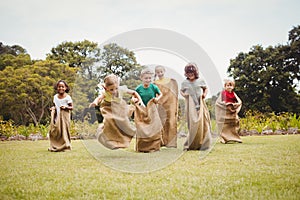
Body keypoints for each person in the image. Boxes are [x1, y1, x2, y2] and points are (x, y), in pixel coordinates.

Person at [95, 74, 142, 149]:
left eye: (116, 88)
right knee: (110, 120)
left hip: (120, 106)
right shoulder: (105, 93)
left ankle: (123, 138)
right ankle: (102, 130)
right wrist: (95, 102)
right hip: (108, 107)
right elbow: (99, 98)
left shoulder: (121, 89)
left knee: (123, 121)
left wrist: (139, 99)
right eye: (111, 89)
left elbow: (134, 92)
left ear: (118, 85)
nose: (114, 91)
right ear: (106, 88)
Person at [180, 63, 212, 150]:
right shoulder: (184, 83)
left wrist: (204, 95)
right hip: (191, 107)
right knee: (193, 125)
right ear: (186, 73)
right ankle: (191, 144)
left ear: (195, 73)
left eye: (192, 73)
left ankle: (205, 145)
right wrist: (185, 95)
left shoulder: (200, 81)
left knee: (203, 124)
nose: (190, 75)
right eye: (188, 73)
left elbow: (205, 88)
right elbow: (181, 91)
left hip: (200, 105)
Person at [134, 68, 163, 152]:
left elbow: (160, 94)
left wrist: (158, 98)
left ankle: (154, 147)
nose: (148, 80)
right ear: (141, 78)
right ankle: (142, 147)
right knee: (142, 128)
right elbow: (134, 96)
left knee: (154, 127)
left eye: (150, 78)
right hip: (142, 111)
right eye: (146, 78)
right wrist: (134, 100)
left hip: (152, 111)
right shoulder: (139, 88)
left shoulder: (153, 87)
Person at [154, 65, 178, 148]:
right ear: (155, 73)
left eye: (161, 71)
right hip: (160, 104)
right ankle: (161, 141)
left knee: (171, 121)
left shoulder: (171, 81)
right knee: (161, 122)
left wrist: (174, 105)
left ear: (164, 71)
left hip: (170, 104)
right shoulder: (155, 83)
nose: (160, 73)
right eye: (158, 72)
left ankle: (171, 143)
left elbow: (174, 93)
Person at [48, 80, 73, 152]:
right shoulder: (55, 97)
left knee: (65, 131)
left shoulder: (67, 97)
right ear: (57, 88)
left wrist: (65, 108)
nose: (61, 88)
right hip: (57, 117)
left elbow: (71, 107)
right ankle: (57, 145)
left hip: (65, 118)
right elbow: (55, 105)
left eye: (62, 87)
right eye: (59, 87)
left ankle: (66, 145)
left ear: (65, 88)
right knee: (57, 131)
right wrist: (53, 109)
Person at [215, 79, 242, 143]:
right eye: (228, 85)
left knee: (235, 123)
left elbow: (239, 101)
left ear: (233, 87)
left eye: (231, 86)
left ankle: (234, 137)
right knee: (224, 125)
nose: (229, 87)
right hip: (225, 111)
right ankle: (224, 138)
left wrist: (236, 104)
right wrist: (224, 104)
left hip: (231, 111)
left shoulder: (233, 93)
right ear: (225, 86)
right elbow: (218, 102)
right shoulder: (223, 93)